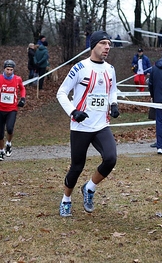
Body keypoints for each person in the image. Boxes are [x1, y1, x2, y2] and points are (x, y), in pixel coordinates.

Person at [56, 30, 120, 217]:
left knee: (110, 158)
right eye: (103, 43)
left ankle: (89, 188)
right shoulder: (79, 68)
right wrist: (73, 111)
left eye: (109, 44)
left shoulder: (110, 69)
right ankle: (66, 199)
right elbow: (61, 93)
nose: (107, 47)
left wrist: (114, 104)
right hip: (81, 126)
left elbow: (113, 90)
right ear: (94, 45)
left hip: (101, 125)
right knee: (77, 166)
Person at [0, 60, 26, 161]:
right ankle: (1, 152)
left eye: (11, 70)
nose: (9, 72)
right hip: (0, 109)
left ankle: (9, 144)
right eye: (7, 69)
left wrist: (23, 99)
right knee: (0, 134)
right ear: (4, 69)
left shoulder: (17, 79)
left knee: (10, 129)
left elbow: (22, 89)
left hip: (12, 109)